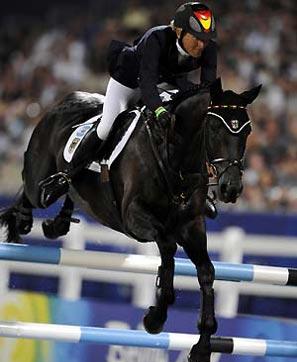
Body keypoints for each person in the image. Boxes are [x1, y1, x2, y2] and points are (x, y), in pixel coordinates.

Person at [39, 2, 217, 208]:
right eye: (197, 38)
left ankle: (196, 190)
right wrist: (158, 110)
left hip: (166, 84)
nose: (201, 46)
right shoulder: (156, 38)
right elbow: (147, 82)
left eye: (205, 40)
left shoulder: (209, 48)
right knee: (107, 127)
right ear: (178, 31)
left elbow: (206, 90)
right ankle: (66, 176)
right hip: (130, 82)